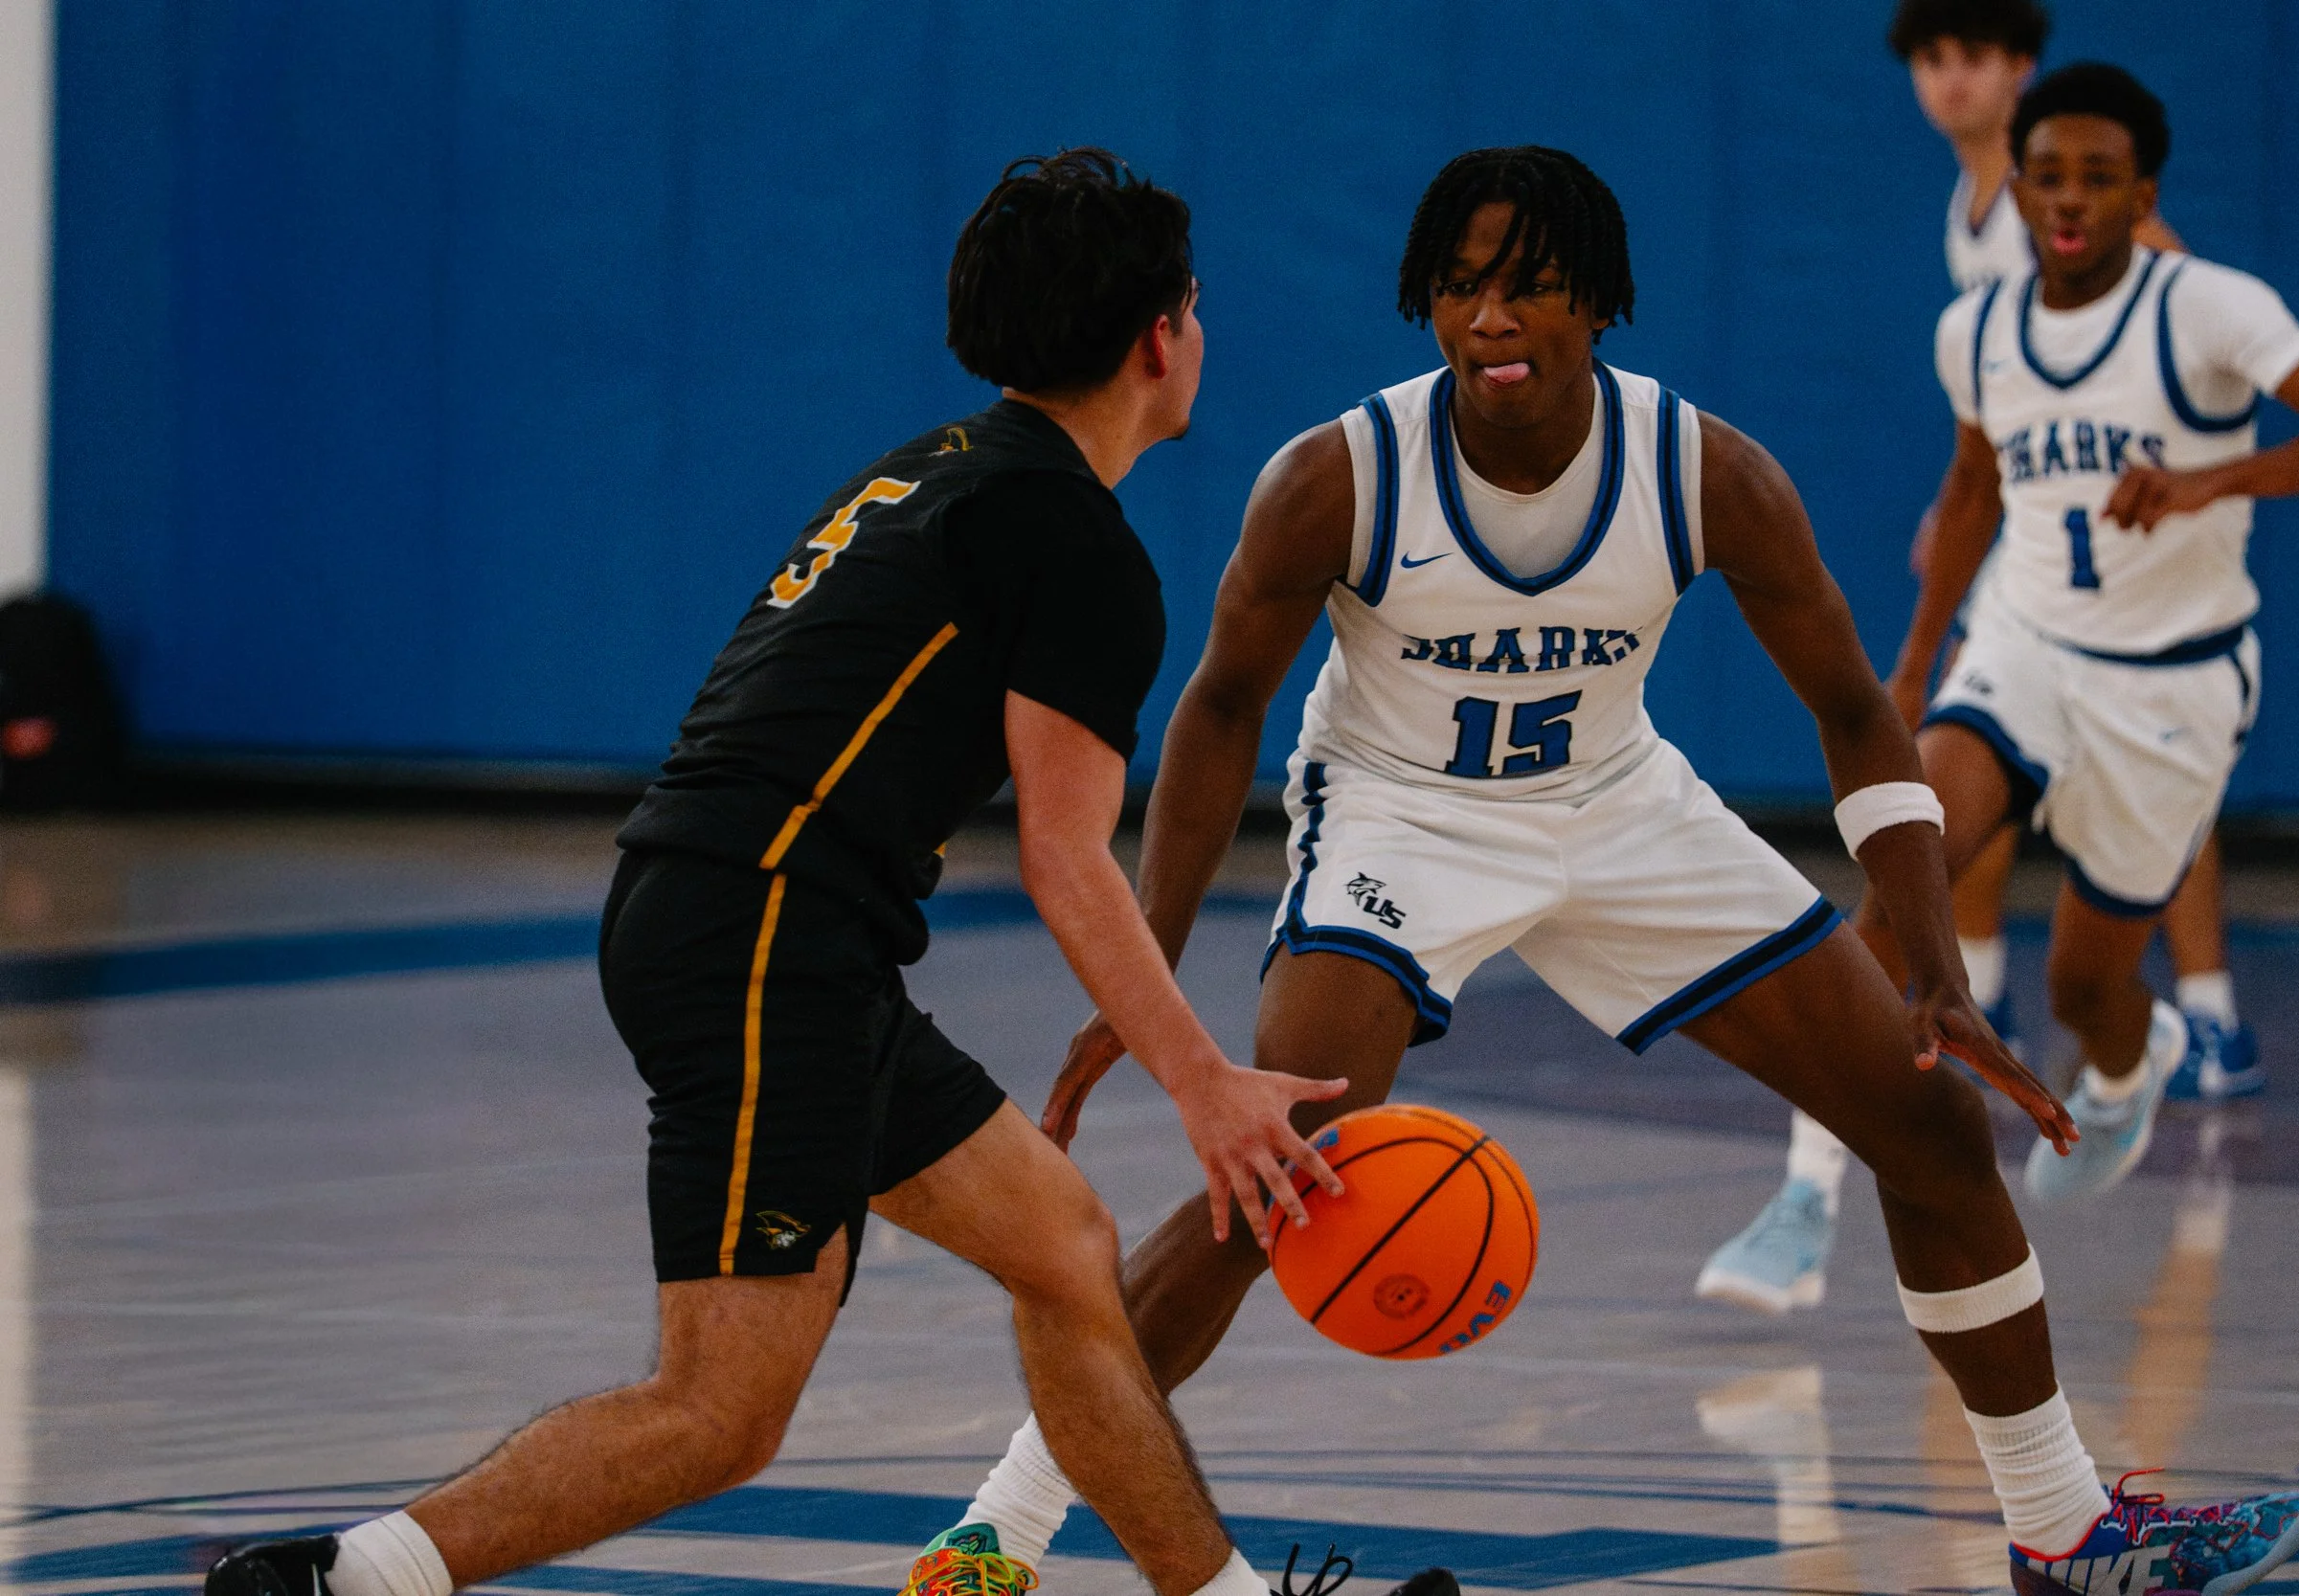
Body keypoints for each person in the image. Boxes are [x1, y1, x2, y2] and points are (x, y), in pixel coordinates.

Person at [935, 146, 2299, 1596]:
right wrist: (1145, 956)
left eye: (1530, 285)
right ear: (1424, 303)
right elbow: (1220, 710)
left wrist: (1929, 956)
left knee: (1934, 1133)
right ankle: (994, 1532)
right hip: (1402, 822)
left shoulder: (1704, 470)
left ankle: (2061, 1531)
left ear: (1600, 303)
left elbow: (1854, 711)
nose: (1492, 318)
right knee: (1277, 1173)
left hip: (1620, 803)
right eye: (1463, 287)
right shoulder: (1336, 478)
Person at [201, 149, 1445, 1596]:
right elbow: (1063, 853)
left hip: (777, 928)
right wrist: (1204, 1082)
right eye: (1196, 304)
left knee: (1062, 1240)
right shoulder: (1077, 545)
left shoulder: (934, 468)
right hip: (761, 937)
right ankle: (336, 1582)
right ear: (1158, 336)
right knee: (721, 1409)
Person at [1697, 0, 2214, 1317]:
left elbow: (2160, 350)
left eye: (1973, 55)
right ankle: (1812, 1189)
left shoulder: (2122, 235)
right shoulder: (1976, 207)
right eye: (1930, 57)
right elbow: (2005, 399)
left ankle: (2168, 1018)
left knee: (2102, 866)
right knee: (1920, 861)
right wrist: (1971, 498)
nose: (1949, 81)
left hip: (2142, 612)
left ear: (2025, 73)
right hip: (2030, 594)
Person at [1859, 64, 2299, 1208]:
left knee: (2086, 988)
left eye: (2096, 179)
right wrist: (1912, 662)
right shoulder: (1979, 329)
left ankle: (2129, 1060)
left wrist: (2218, 479)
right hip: (2026, 641)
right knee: (1903, 856)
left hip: (2173, 677)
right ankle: (1837, 1163)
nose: (2065, 200)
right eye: (2043, 175)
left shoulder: (2206, 305)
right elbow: (1969, 486)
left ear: (2140, 194)